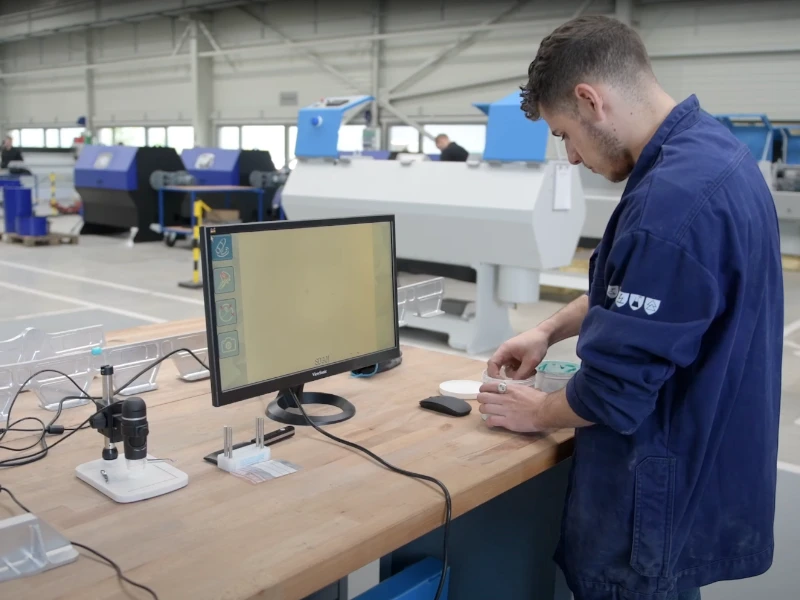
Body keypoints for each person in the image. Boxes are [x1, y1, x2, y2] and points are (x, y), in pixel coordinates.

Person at [478, 15, 782, 600]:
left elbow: (613, 394)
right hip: (693, 470)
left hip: (650, 499)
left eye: (565, 133)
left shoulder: (672, 203)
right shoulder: (711, 154)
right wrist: (548, 330)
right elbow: (634, 290)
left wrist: (536, 413)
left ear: (590, 100)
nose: (569, 157)